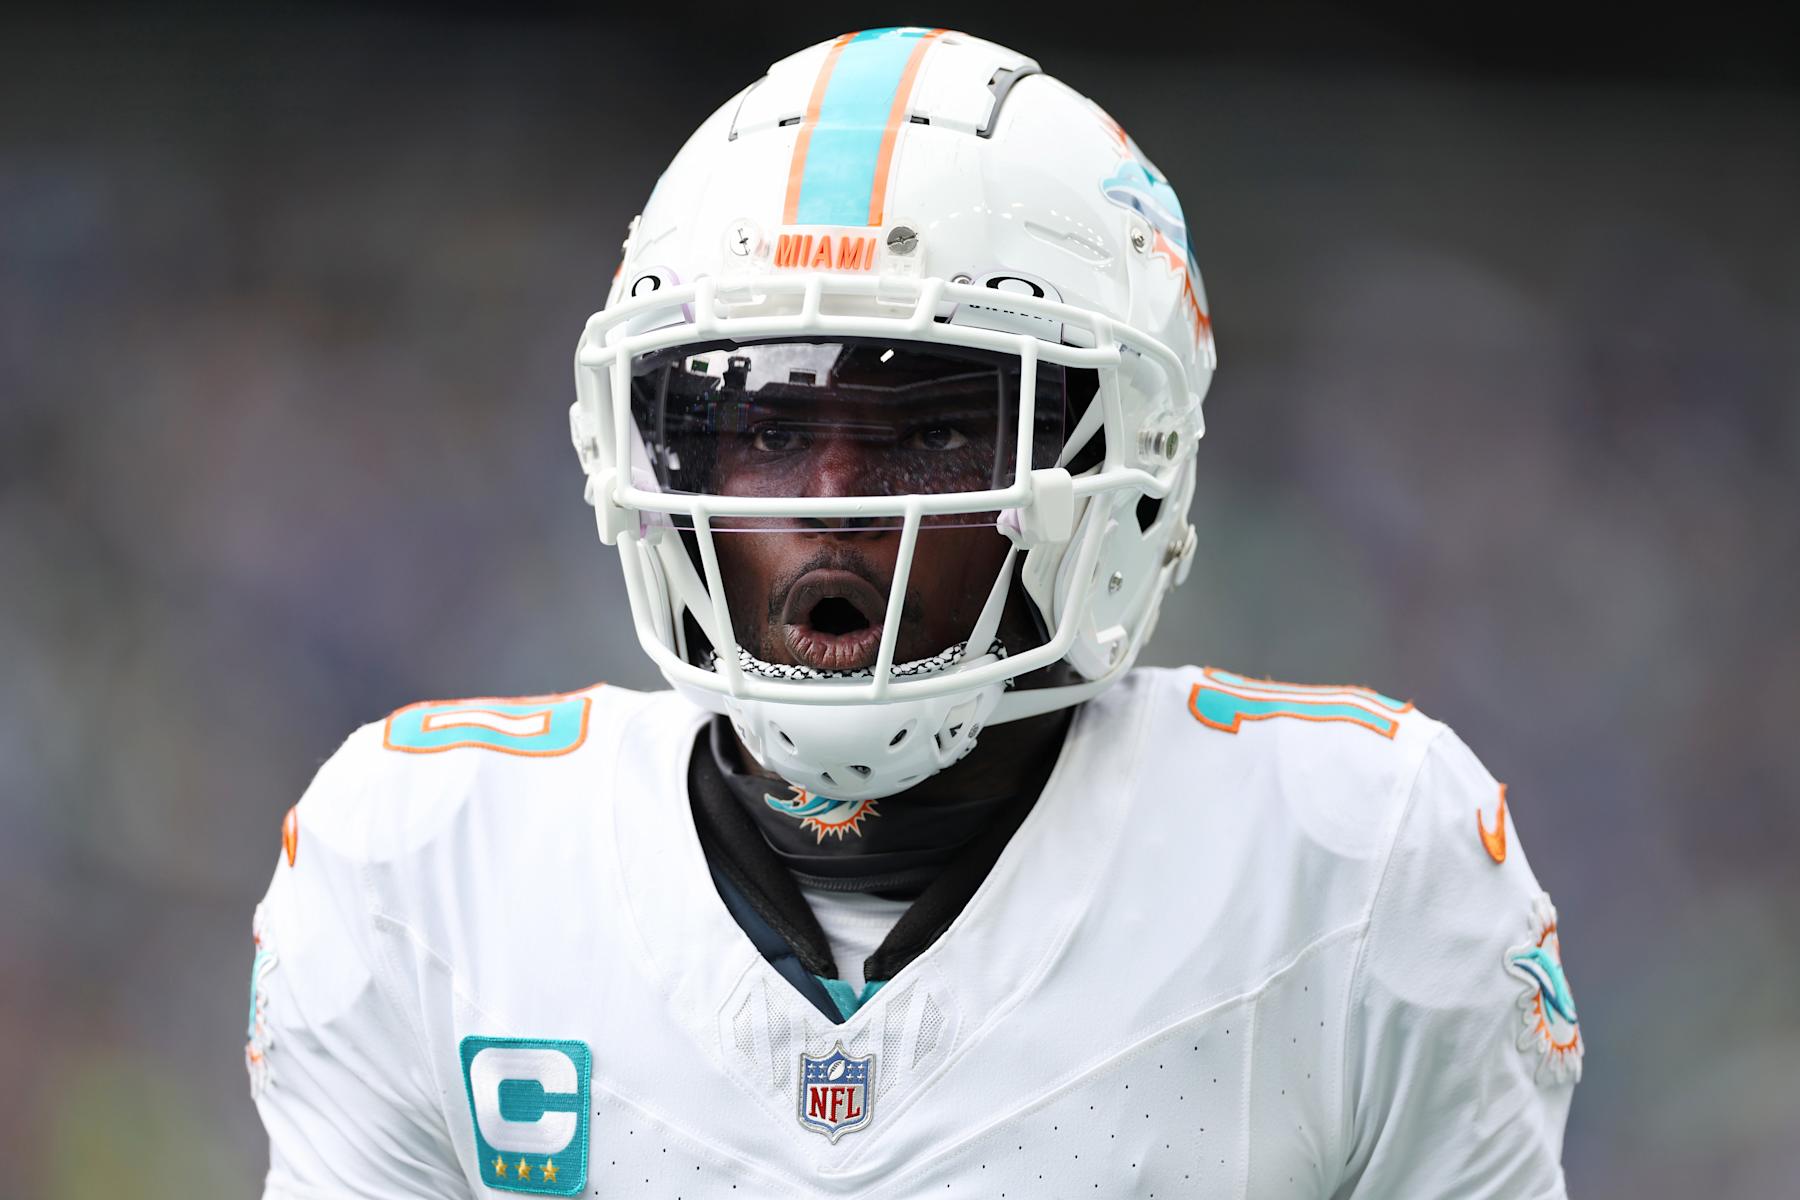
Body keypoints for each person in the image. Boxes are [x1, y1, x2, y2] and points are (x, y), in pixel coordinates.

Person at [248, 27, 1580, 1198]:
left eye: (933, 424)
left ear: (1122, 457)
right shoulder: (426, 866)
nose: (833, 499)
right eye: (762, 423)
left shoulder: (1352, 866)